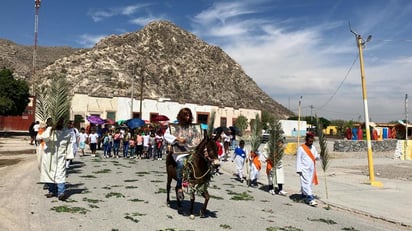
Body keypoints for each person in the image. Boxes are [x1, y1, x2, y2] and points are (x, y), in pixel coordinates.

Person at [164, 108, 202, 200]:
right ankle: (179, 186)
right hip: (179, 152)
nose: (188, 117)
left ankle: (199, 183)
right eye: (186, 115)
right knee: (181, 163)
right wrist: (177, 139)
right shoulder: (174, 126)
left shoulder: (192, 127)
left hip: (190, 151)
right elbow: (166, 135)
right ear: (181, 116)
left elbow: (197, 137)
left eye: (189, 115)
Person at [36, 117, 71, 201]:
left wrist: (68, 155)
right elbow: (40, 137)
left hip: (60, 157)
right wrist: (48, 129)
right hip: (49, 156)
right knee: (49, 172)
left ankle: (61, 193)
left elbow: (69, 143)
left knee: (60, 174)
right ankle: (52, 191)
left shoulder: (65, 131)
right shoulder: (49, 130)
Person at [296, 132, 320, 206]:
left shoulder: (313, 148)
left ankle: (304, 195)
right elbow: (298, 159)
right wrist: (299, 169)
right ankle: (310, 198)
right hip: (304, 169)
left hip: (311, 169)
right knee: (306, 182)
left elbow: (316, 157)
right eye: (309, 141)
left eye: (312, 141)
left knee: (309, 183)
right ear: (306, 140)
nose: (311, 142)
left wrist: (321, 155)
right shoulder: (301, 148)